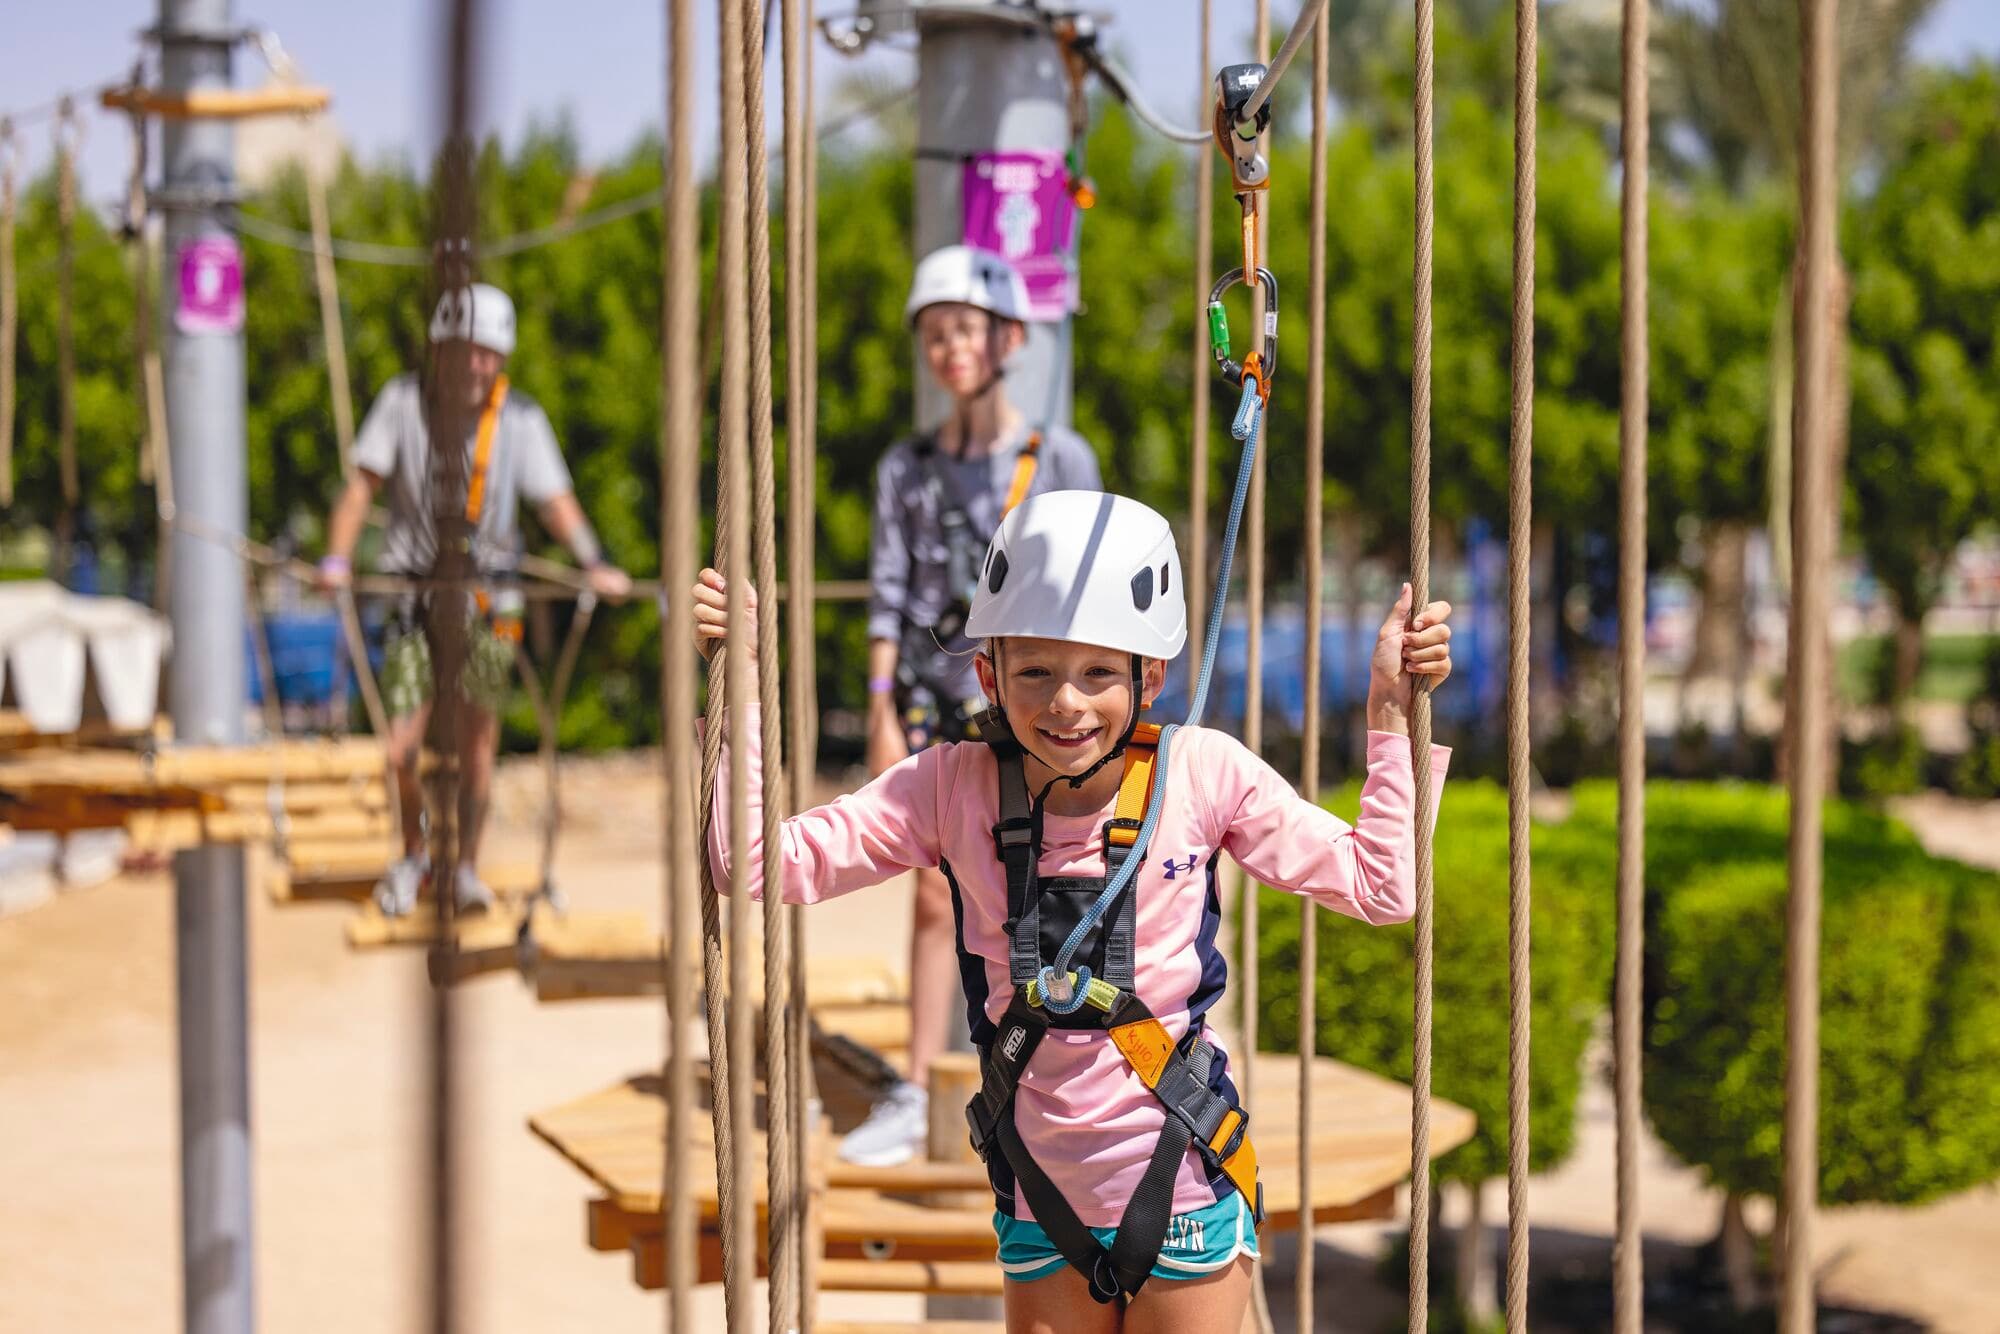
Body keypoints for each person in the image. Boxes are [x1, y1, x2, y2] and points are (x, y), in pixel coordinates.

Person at [693, 489, 1454, 1330]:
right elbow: (754, 861)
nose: (1066, 703)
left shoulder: (1203, 774)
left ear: (1150, 677)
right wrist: (746, 690)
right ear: (988, 673)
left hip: (1183, 1187)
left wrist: (1390, 713)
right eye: (1035, 673)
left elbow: (1383, 886)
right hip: (1040, 1201)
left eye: (1099, 673)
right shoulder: (951, 787)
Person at [855, 246, 1104, 1167]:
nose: (949, 347)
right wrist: (881, 699)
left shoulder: (1057, 457)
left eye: (964, 329)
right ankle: (919, 1085)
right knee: (931, 891)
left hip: (1034, 708)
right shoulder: (907, 470)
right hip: (933, 701)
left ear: (1006, 340)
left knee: (1040, 888)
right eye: (935, 333)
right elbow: (889, 588)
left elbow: (1091, 591)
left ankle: (1040, 1079)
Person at [317, 282, 631, 917]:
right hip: (415, 601)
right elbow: (360, 489)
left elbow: (555, 503)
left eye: (491, 353)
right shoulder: (403, 404)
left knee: (478, 745)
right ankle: (412, 855)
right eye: (467, 351)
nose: (479, 364)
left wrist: (593, 562)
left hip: (491, 607)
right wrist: (336, 559)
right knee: (400, 749)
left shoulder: (521, 420)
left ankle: (463, 868)